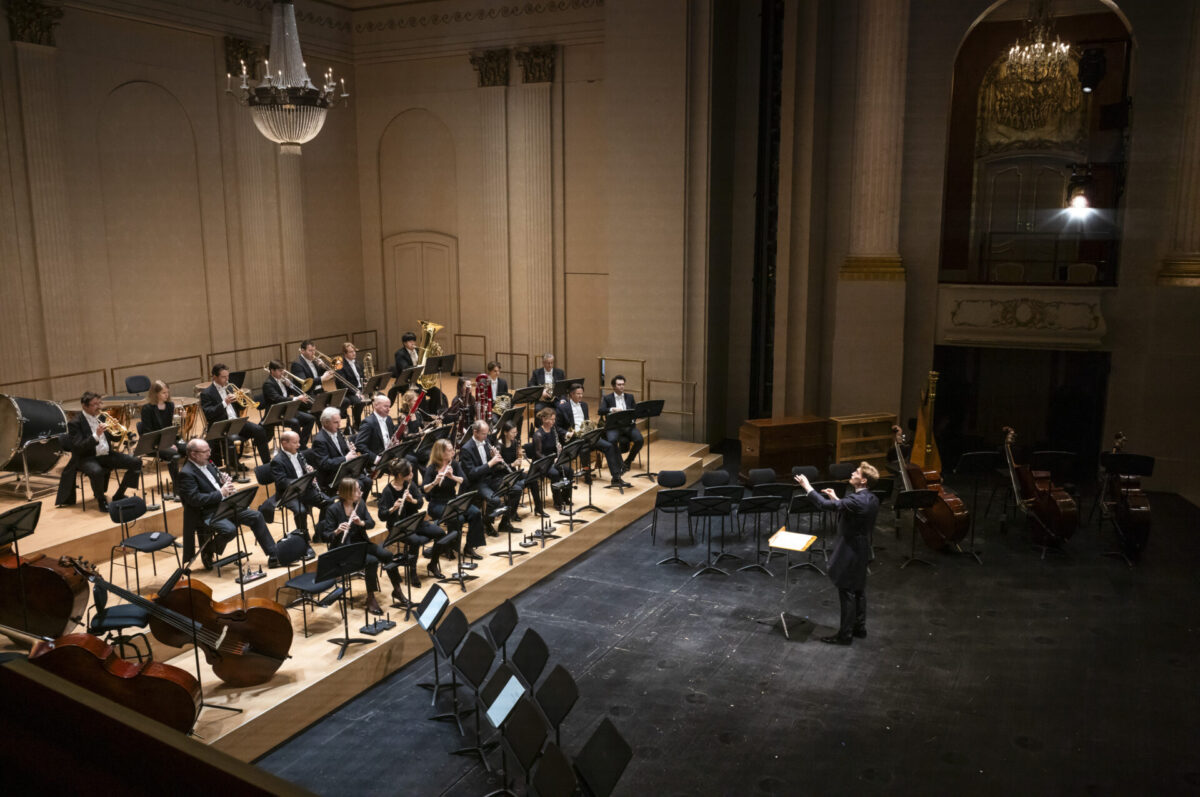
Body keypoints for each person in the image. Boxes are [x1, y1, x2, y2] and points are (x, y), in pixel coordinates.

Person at [795, 463, 880, 645]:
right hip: (863, 547)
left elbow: (823, 504)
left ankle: (845, 635)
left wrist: (807, 487)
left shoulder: (856, 500)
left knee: (847, 590)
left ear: (863, 480)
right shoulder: (871, 498)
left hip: (850, 549)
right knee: (858, 589)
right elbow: (852, 511)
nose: (853, 473)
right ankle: (859, 628)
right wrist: (836, 498)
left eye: (856, 472)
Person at [176, 438, 281, 570]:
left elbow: (213, 485)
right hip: (206, 513)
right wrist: (221, 492)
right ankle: (209, 549)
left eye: (209, 450)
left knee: (256, 516)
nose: (209, 454)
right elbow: (195, 499)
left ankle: (274, 554)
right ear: (193, 454)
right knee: (229, 530)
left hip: (225, 505)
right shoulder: (186, 474)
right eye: (205, 451)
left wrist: (222, 481)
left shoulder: (207, 462)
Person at [318, 478, 402, 614]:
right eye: (357, 490)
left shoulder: (360, 504)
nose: (360, 492)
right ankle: (370, 597)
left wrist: (361, 523)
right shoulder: (333, 509)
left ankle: (397, 590)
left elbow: (371, 523)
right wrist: (337, 530)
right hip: (345, 549)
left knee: (387, 555)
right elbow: (325, 536)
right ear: (347, 492)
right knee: (372, 561)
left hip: (361, 543)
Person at [55, 391, 142, 511]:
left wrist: (117, 429)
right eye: (94, 404)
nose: (99, 407)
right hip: (86, 457)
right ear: (84, 406)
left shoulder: (101, 417)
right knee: (97, 471)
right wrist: (96, 435)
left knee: (136, 462)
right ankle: (101, 500)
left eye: (99, 403)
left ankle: (119, 494)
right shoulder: (75, 423)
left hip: (105, 455)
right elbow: (79, 446)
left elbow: (114, 438)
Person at [377, 459, 449, 582]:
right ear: (400, 475)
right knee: (415, 541)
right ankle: (413, 572)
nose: (412, 475)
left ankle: (433, 564)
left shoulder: (410, 484)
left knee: (441, 533)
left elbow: (420, 503)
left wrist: (412, 501)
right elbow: (381, 516)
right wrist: (392, 509)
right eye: (410, 473)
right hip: (398, 527)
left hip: (414, 522)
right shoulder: (388, 491)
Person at [423, 438, 485, 562]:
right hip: (437, 503)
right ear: (441, 453)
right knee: (458, 518)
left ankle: (469, 547)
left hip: (453, 500)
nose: (453, 452)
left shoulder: (454, 464)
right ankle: (449, 547)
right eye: (450, 450)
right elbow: (424, 489)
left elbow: (465, 481)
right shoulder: (432, 468)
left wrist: (452, 476)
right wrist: (434, 482)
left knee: (475, 512)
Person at [199, 364, 272, 468]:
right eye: (223, 377)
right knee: (230, 440)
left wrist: (241, 399)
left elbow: (241, 408)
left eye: (227, 376)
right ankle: (235, 464)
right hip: (221, 426)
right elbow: (209, 413)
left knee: (259, 430)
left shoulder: (230, 388)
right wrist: (224, 403)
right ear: (214, 377)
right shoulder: (207, 393)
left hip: (236, 422)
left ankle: (267, 463)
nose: (227, 379)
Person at [269, 430, 331, 550]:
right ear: (284, 443)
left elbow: (305, 472)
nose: (298, 445)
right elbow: (281, 482)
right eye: (295, 442)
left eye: (298, 442)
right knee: (301, 511)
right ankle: (304, 538)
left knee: (327, 502)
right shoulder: (277, 461)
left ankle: (319, 533)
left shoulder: (299, 455)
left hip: (306, 490)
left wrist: (310, 473)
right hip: (289, 494)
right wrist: (302, 480)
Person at [556, 383, 627, 486]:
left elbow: (586, 421)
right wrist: (567, 433)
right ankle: (587, 474)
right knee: (585, 449)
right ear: (571, 394)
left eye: (582, 393)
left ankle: (616, 477)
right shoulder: (562, 408)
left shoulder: (584, 405)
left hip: (587, 435)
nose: (580, 396)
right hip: (574, 437)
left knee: (609, 446)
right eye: (578, 394)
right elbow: (557, 427)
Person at [458, 420, 509, 535]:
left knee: (512, 488)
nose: (486, 436)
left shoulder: (485, 441)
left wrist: (493, 457)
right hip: (477, 482)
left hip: (489, 478)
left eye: (487, 434)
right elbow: (472, 473)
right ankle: (486, 522)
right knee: (495, 500)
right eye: (484, 434)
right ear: (475, 432)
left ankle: (504, 523)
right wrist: (491, 463)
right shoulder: (466, 449)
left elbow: (489, 464)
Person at [311, 407, 372, 498]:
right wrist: (346, 458)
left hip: (344, 471)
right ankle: (351, 508)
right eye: (336, 422)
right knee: (359, 484)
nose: (339, 425)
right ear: (325, 422)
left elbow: (343, 452)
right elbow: (325, 464)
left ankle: (358, 508)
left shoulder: (337, 432)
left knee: (368, 481)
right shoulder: (319, 441)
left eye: (339, 421)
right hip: (332, 476)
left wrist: (350, 450)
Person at [139, 380, 186, 488]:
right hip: (154, 444)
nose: (167, 395)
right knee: (173, 455)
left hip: (171, 441)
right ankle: (177, 485)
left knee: (192, 448)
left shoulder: (170, 405)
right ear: (155, 394)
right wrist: (166, 444)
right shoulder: (147, 409)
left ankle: (185, 478)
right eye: (163, 393)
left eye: (167, 392)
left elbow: (174, 428)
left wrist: (183, 419)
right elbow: (149, 432)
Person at [261, 360, 316, 447]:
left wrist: (290, 386)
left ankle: (301, 445)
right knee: (295, 423)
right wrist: (296, 398)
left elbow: (293, 393)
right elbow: (277, 399)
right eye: (280, 370)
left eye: (283, 370)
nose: (282, 373)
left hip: (288, 410)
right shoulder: (268, 384)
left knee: (310, 419)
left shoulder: (282, 380)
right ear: (272, 371)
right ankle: (298, 446)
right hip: (276, 414)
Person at [599, 374, 644, 474]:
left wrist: (636, 415)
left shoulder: (630, 397)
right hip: (614, 426)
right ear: (614, 386)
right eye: (619, 385)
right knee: (612, 440)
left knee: (640, 440)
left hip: (628, 426)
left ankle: (628, 461)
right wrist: (611, 409)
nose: (622, 386)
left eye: (623, 384)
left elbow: (635, 410)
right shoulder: (607, 398)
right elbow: (600, 411)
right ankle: (619, 463)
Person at [531, 407, 571, 511]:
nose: (553, 422)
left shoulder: (553, 430)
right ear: (544, 419)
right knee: (555, 474)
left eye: (554, 419)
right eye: (551, 419)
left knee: (569, 471)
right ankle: (557, 502)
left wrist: (559, 448)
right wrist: (550, 460)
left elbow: (555, 447)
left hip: (553, 460)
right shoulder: (538, 434)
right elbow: (538, 454)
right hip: (542, 463)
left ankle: (565, 498)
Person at [337, 342, 369, 429]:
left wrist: (366, 383)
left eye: (354, 351)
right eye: (351, 352)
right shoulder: (340, 365)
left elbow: (363, 376)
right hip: (349, 392)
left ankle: (372, 422)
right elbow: (342, 384)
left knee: (379, 396)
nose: (354, 353)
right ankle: (357, 424)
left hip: (361, 389)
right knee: (360, 402)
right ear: (345, 354)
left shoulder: (358, 363)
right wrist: (356, 392)